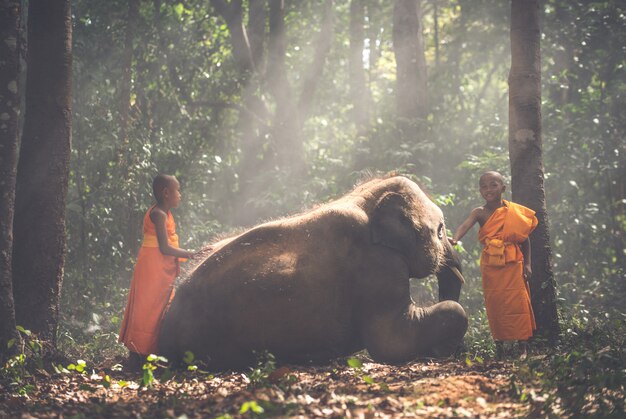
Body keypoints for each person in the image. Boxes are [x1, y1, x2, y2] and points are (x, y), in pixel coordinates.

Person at [449, 171, 537, 359]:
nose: (488, 189)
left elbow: (525, 239)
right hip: (492, 264)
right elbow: (465, 225)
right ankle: (500, 347)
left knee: (518, 302)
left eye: (493, 184)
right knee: (496, 303)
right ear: (480, 190)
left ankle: (523, 347)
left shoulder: (513, 211)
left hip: (514, 262)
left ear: (503, 188)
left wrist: (528, 264)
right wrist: (455, 239)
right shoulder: (479, 212)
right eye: (484, 186)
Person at [119, 174, 197, 370]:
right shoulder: (158, 214)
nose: (180, 194)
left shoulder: (164, 213)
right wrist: (192, 254)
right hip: (153, 265)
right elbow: (164, 247)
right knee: (148, 308)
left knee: (158, 307)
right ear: (166, 193)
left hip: (159, 265)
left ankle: (149, 356)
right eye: (177, 190)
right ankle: (139, 356)